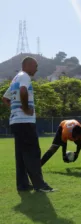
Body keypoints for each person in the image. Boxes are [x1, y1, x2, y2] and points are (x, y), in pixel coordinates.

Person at [2, 57, 56, 192]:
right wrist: (25, 109)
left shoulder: (15, 78)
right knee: (33, 153)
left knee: (21, 155)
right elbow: (23, 91)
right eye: (35, 66)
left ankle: (23, 185)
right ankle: (40, 185)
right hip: (25, 121)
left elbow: (5, 98)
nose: (37, 69)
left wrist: (15, 109)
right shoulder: (25, 76)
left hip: (15, 121)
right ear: (28, 65)